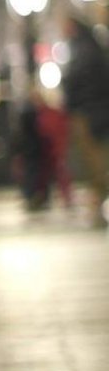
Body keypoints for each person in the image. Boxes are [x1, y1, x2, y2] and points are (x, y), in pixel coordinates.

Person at [61, 15, 109, 227]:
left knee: (94, 163)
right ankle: (96, 206)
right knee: (94, 162)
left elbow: (79, 82)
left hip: (90, 114)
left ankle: (97, 208)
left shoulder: (84, 50)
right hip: (94, 112)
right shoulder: (91, 47)